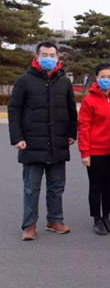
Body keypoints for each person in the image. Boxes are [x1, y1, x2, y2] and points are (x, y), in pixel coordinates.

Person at [8, 42, 78, 241]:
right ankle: (29, 225)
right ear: (37, 58)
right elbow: (14, 110)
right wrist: (17, 137)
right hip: (32, 143)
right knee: (31, 188)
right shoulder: (24, 80)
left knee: (56, 187)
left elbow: (71, 110)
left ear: (58, 58)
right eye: (45, 55)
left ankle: (54, 220)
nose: (49, 58)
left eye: (52, 55)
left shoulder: (64, 81)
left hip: (57, 142)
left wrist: (72, 133)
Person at [78, 63, 110, 235]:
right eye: (103, 76)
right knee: (96, 186)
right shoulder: (89, 100)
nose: (106, 80)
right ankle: (97, 219)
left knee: (109, 185)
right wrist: (85, 152)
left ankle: (106, 217)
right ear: (96, 78)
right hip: (95, 151)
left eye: (109, 77)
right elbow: (83, 128)